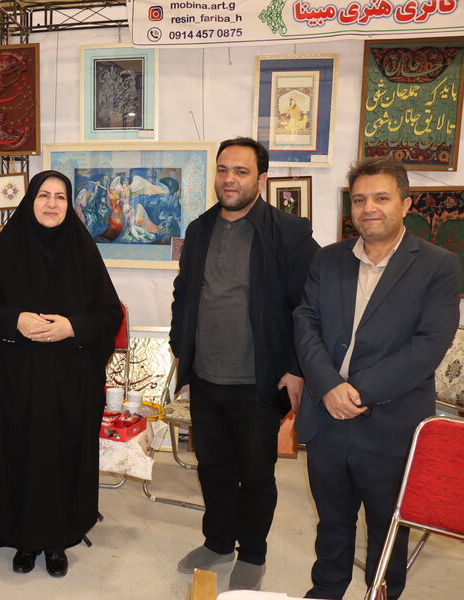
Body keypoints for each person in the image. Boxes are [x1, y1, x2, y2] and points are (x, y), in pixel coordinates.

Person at [293, 157, 460, 600]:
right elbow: (305, 322)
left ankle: (381, 594)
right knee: (332, 524)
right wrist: (329, 387)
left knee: (388, 530)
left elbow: (427, 348)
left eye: (381, 198)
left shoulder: (439, 266)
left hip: (391, 425)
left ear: (405, 204)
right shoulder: (328, 259)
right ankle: (326, 590)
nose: (369, 208)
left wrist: (354, 393)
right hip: (326, 419)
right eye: (360, 199)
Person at [169, 137, 319, 591]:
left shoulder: (289, 233)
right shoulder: (199, 229)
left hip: (260, 381)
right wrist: (179, 343)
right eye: (223, 170)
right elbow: (184, 291)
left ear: (262, 178)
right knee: (212, 468)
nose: (229, 179)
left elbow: (308, 306)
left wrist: (296, 368)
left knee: (255, 475)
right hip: (205, 377)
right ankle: (217, 542)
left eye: (240, 171)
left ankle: (253, 552)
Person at [0, 170, 121, 578]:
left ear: (69, 205)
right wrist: (15, 320)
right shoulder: (5, 249)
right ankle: (22, 539)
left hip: (69, 384)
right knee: (16, 457)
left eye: (60, 197)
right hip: (13, 383)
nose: (52, 203)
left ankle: (57, 541)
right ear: (30, 201)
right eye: (43, 195)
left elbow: (109, 314)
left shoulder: (84, 252)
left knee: (62, 458)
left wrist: (73, 327)